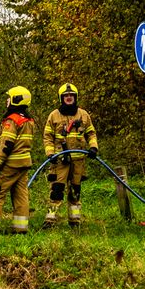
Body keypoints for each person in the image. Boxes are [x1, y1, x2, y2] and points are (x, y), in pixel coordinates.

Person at [41, 83, 98, 227]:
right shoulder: (54, 115)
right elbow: (47, 137)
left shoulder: (83, 115)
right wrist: (50, 153)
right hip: (60, 160)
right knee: (56, 191)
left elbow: (91, 133)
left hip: (78, 161)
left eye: (71, 95)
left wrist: (93, 147)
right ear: (61, 98)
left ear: (75, 97)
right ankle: (50, 220)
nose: (68, 98)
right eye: (66, 96)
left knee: (75, 191)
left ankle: (75, 221)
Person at [0, 86, 36, 234]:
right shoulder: (29, 120)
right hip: (24, 163)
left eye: (9, 97)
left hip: (9, 164)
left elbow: (6, 146)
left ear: (16, 99)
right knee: (21, 196)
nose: (7, 100)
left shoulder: (12, 120)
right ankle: (20, 228)